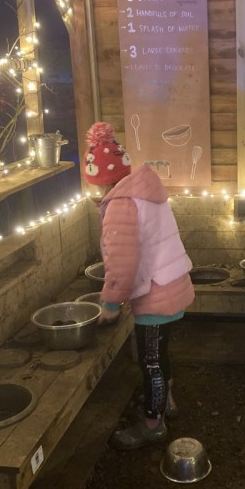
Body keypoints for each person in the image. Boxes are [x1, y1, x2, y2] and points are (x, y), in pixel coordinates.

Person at [94, 147, 195, 450]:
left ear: (101, 181)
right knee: (160, 356)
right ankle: (167, 402)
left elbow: (122, 263)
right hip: (171, 283)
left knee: (150, 363)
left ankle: (153, 424)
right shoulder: (144, 191)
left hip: (155, 293)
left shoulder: (122, 204)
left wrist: (110, 305)